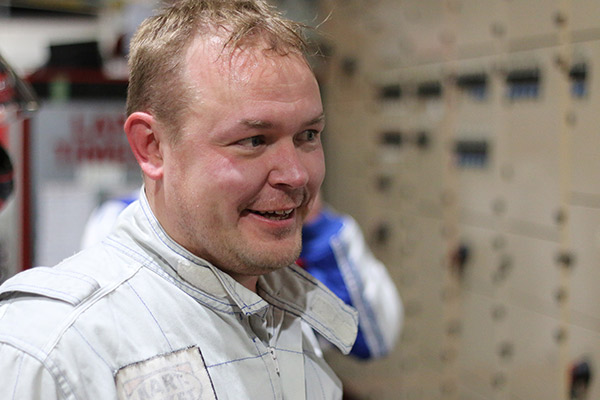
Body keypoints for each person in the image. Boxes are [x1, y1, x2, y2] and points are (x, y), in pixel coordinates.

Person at [0, 1, 359, 398]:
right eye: (254, 140)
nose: (295, 174)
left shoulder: (290, 316)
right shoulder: (53, 352)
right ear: (152, 147)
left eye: (308, 135)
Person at [80, 191, 403, 360]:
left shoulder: (312, 233)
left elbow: (374, 338)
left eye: (306, 137)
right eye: (254, 141)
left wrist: (316, 229)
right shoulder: (124, 220)